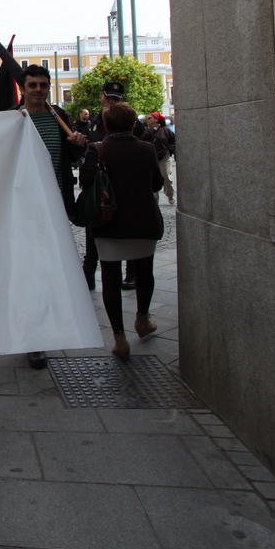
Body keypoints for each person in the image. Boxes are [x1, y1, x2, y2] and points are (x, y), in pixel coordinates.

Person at [79, 102, 163, 361]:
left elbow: (85, 181)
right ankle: (142, 318)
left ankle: (119, 338)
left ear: (105, 125)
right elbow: (157, 183)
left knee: (111, 280)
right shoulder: (147, 148)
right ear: (132, 124)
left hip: (108, 222)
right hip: (143, 221)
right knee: (144, 272)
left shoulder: (98, 149)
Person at [17, 65, 88, 368]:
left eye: (43, 85)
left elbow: (70, 157)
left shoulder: (59, 117)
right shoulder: (13, 119)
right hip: (23, 208)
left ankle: (44, 331)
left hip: (55, 205)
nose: (37, 89)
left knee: (49, 271)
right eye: (32, 84)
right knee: (29, 272)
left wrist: (78, 146)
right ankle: (34, 338)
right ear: (23, 88)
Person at [83, 82, 145, 289]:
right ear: (102, 97)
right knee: (94, 230)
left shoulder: (133, 122)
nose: (111, 101)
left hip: (124, 187)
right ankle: (89, 273)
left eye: (115, 99)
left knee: (127, 232)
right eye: (108, 97)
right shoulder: (95, 122)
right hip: (102, 188)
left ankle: (131, 273)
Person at [144, 112, 175, 205]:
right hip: (150, 156)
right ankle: (154, 199)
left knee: (166, 176)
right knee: (152, 177)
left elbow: (174, 141)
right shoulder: (147, 131)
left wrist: (169, 150)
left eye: (150, 118)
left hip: (164, 156)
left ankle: (170, 195)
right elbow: (141, 139)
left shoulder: (166, 131)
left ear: (156, 120)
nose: (147, 120)